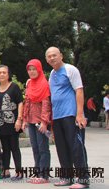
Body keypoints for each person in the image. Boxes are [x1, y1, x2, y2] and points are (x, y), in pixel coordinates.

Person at [46, 47, 89, 189]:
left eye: (54, 55)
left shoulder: (71, 70)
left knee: (76, 146)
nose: (52, 58)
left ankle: (83, 179)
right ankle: (67, 176)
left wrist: (80, 114)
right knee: (62, 148)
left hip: (71, 114)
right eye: (49, 56)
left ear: (61, 56)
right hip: (57, 116)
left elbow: (79, 90)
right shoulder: (52, 73)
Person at [22, 58, 52, 184]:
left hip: (41, 122)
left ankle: (44, 175)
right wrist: (24, 119)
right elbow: (27, 102)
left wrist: (45, 122)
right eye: (30, 69)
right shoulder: (30, 84)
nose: (32, 72)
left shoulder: (44, 84)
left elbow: (46, 104)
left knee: (43, 148)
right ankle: (38, 172)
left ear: (39, 69)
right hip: (31, 120)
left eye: (34, 69)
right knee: (35, 147)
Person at [0, 65, 23, 180]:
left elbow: (20, 102)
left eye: (4, 72)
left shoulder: (14, 87)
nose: (1, 74)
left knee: (14, 147)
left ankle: (19, 171)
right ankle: (5, 170)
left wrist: (19, 119)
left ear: (8, 74)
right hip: (1, 122)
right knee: (5, 148)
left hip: (13, 120)